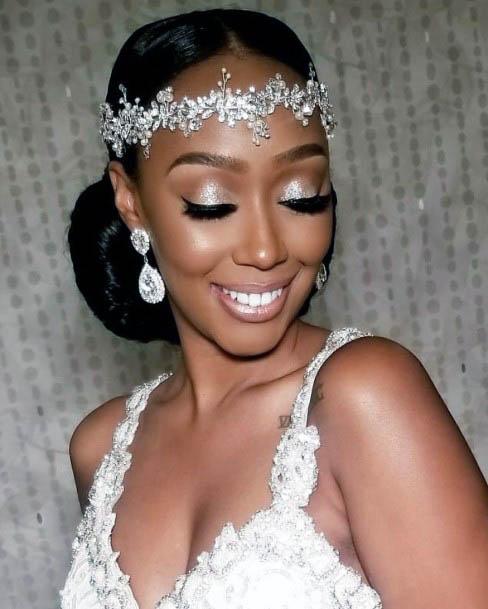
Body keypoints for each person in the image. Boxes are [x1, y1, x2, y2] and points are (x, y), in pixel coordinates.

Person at [58, 8, 488, 609]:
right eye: (211, 204)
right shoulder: (100, 449)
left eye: (301, 197)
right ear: (131, 202)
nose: (266, 249)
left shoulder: (364, 396)